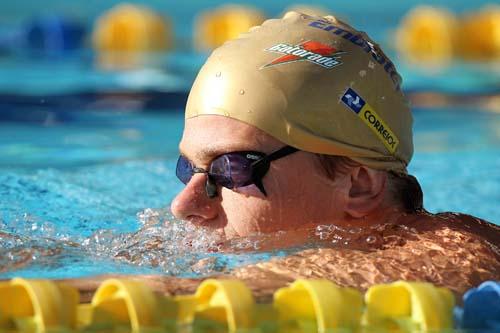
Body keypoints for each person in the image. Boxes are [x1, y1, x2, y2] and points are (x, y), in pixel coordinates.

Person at [63, 12, 499, 299]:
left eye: (232, 168)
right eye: (188, 168)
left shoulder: (461, 251)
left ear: (359, 184)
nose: (184, 206)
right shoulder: (188, 243)